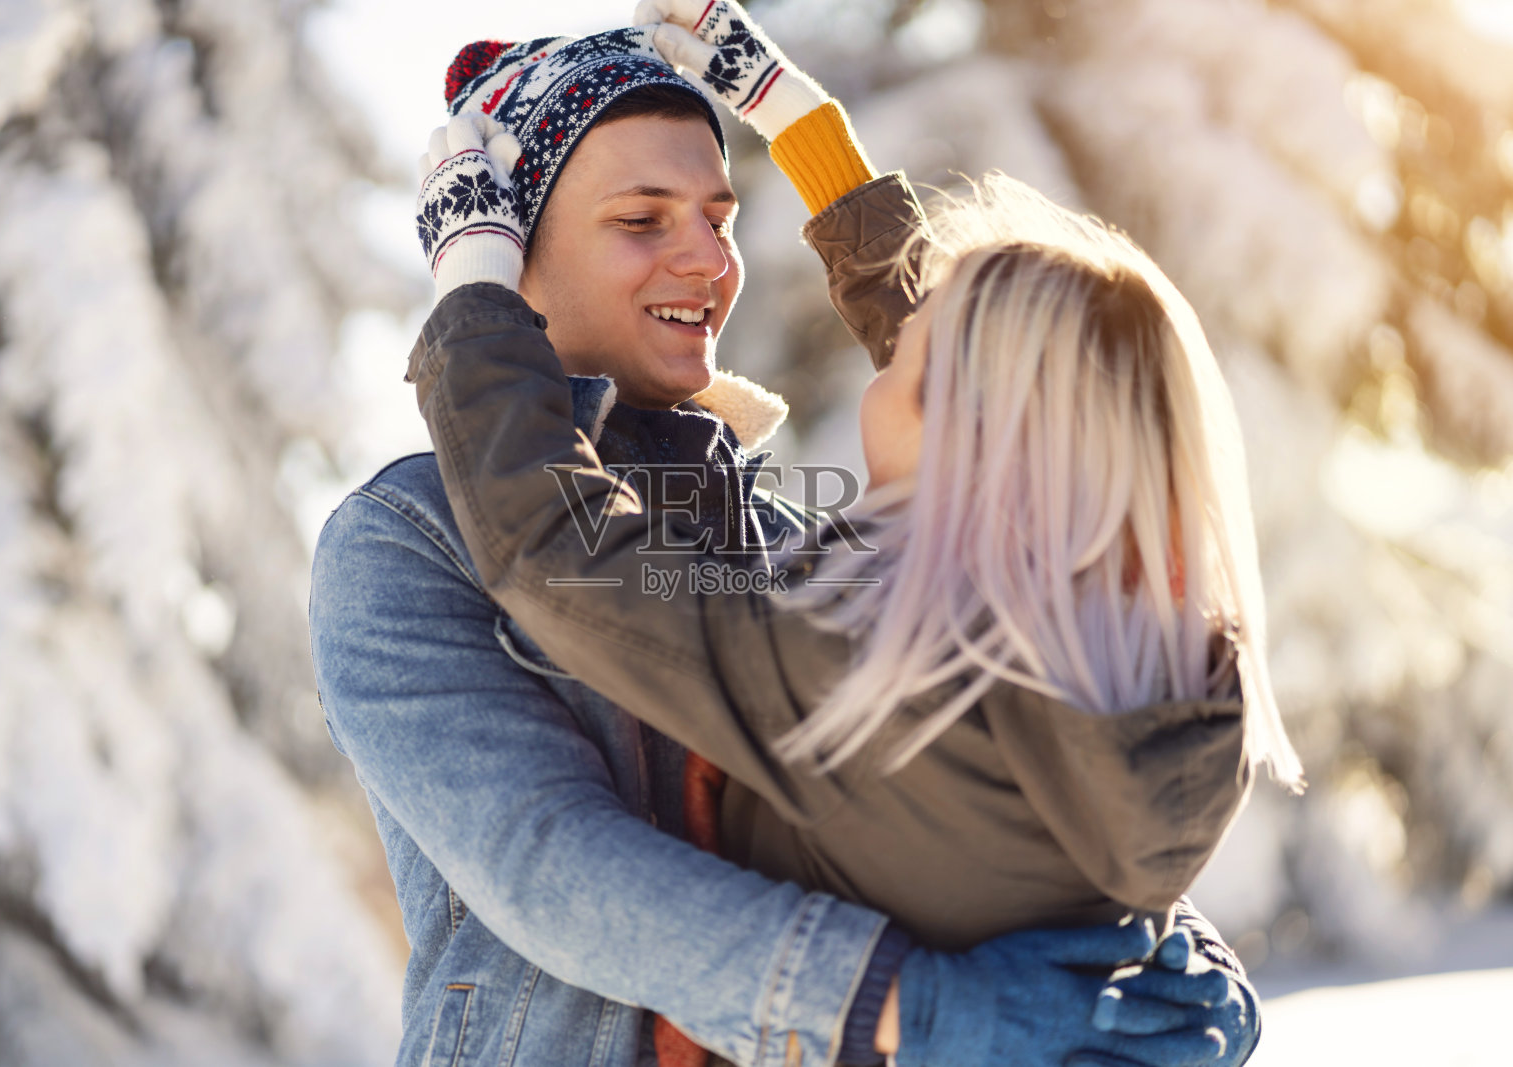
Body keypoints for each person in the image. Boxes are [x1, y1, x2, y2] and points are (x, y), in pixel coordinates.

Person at [311, 8, 1262, 1067]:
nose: (706, 261)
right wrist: (927, 1006)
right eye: (641, 220)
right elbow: (547, 866)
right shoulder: (405, 541)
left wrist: (1169, 959)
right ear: (509, 260)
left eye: (719, 218)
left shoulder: (789, 547)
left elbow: (1003, 415)